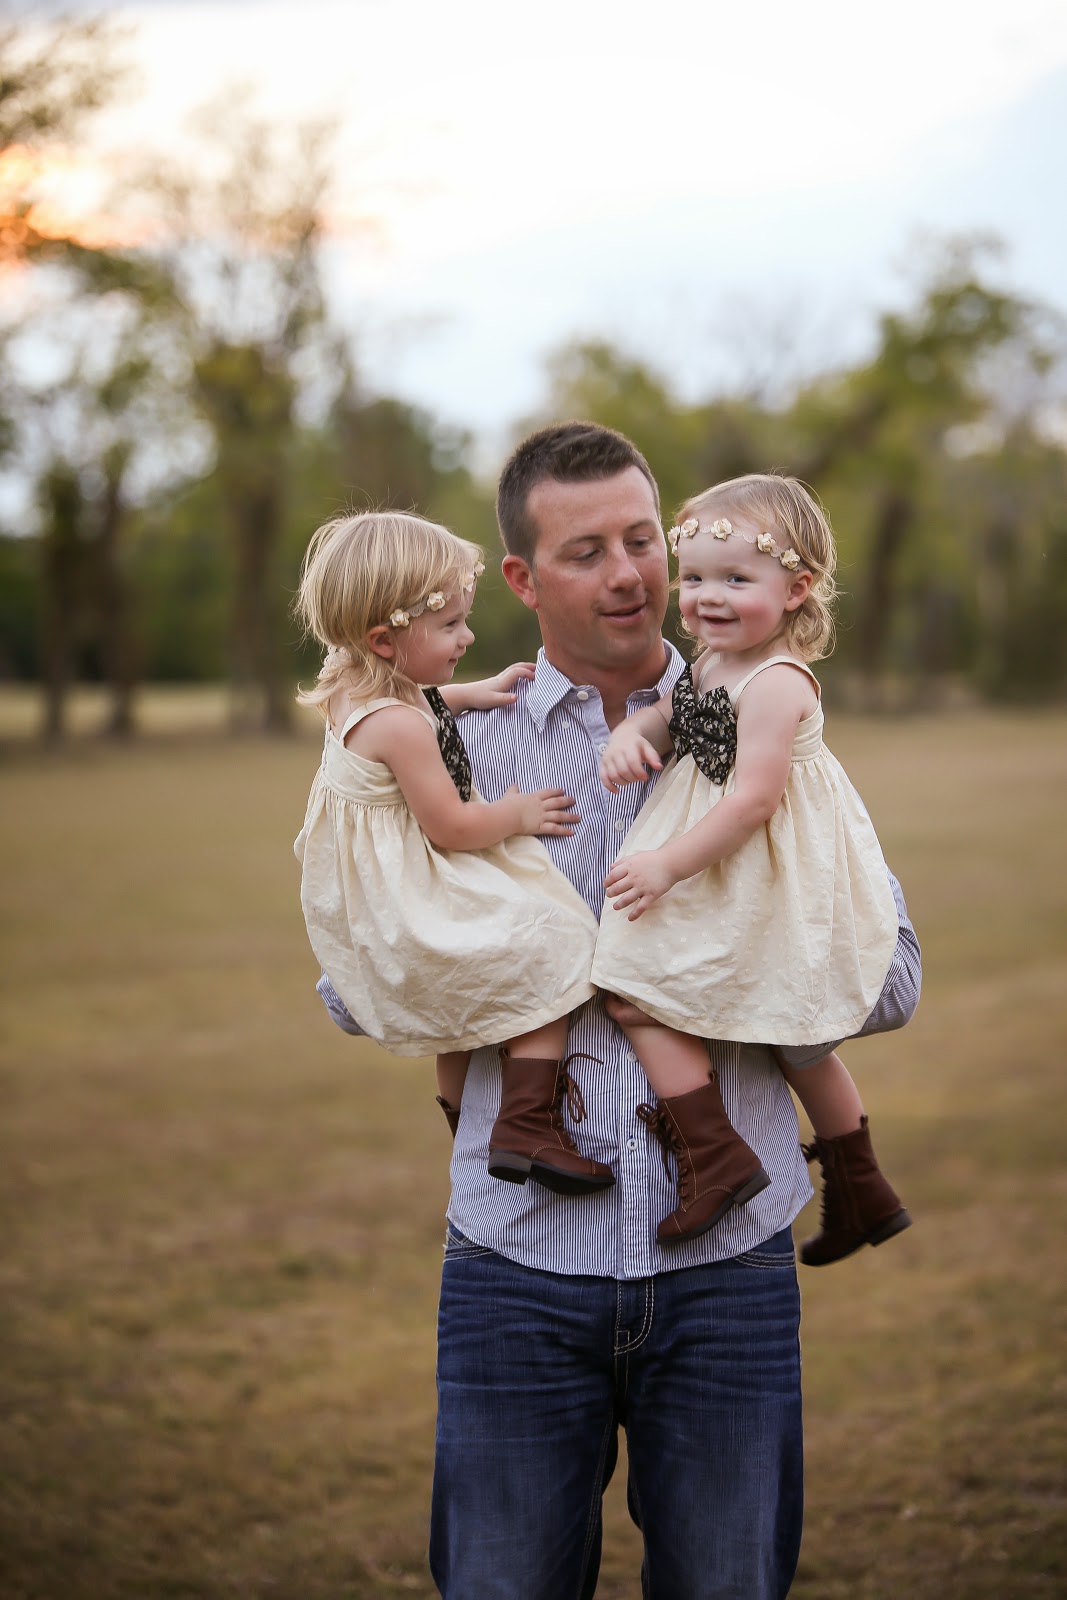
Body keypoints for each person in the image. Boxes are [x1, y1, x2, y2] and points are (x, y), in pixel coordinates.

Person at [319, 426, 921, 1599]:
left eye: (643, 540)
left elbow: (887, 981)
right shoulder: (451, 743)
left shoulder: (763, 713)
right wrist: (521, 960)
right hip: (514, 1266)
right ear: (520, 577)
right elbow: (356, 987)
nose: (631, 574)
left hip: (729, 1276)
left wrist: (705, 958)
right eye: (585, 550)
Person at [590, 474, 911, 1265]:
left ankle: (719, 1160)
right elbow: (666, 718)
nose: (708, 597)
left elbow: (753, 802)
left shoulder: (777, 682)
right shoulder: (711, 663)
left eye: (736, 579)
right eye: (695, 578)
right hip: (731, 863)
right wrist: (632, 736)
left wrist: (665, 865)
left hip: (763, 868)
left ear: (795, 589)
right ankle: (862, 1190)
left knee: (642, 991)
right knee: (778, 1037)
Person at [293, 509, 613, 1194]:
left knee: (458, 1018)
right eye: (450, 626)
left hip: (374, 893)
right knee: (553, 940)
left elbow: (416, 697)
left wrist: (467, 693)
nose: (466, 636)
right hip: (412, 893)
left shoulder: (353, 683)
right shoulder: (401, 727)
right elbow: (452, 826)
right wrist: (519, 814)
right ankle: (526, 1123)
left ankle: (469, 1124)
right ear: (383, 639)